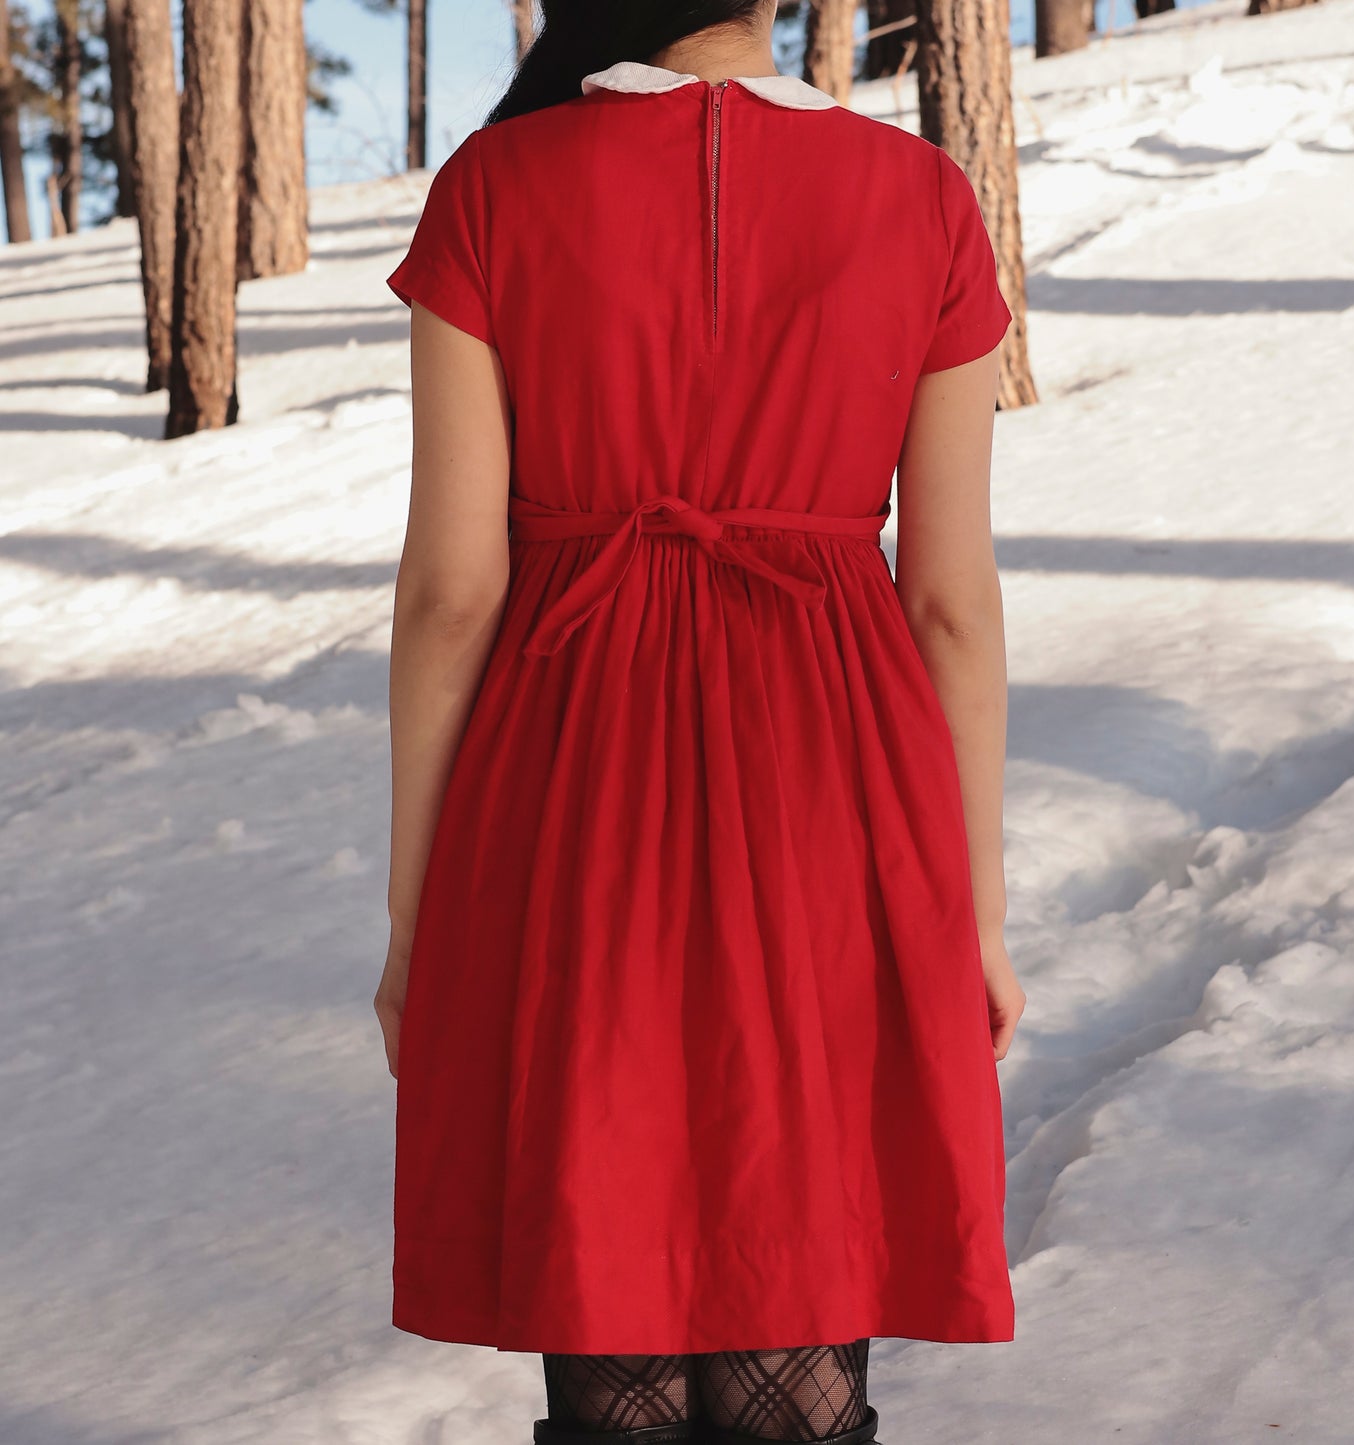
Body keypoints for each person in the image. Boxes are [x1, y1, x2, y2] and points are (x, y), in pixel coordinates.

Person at [376, 2, 1026, 1441]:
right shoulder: (921, 199)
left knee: (611, 1253)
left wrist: (419, 918)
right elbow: (951, 607)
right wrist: (973, 911)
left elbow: (449, 594)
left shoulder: (496, 188)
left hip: (570, 781)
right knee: (800, 1232)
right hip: (835, 775)